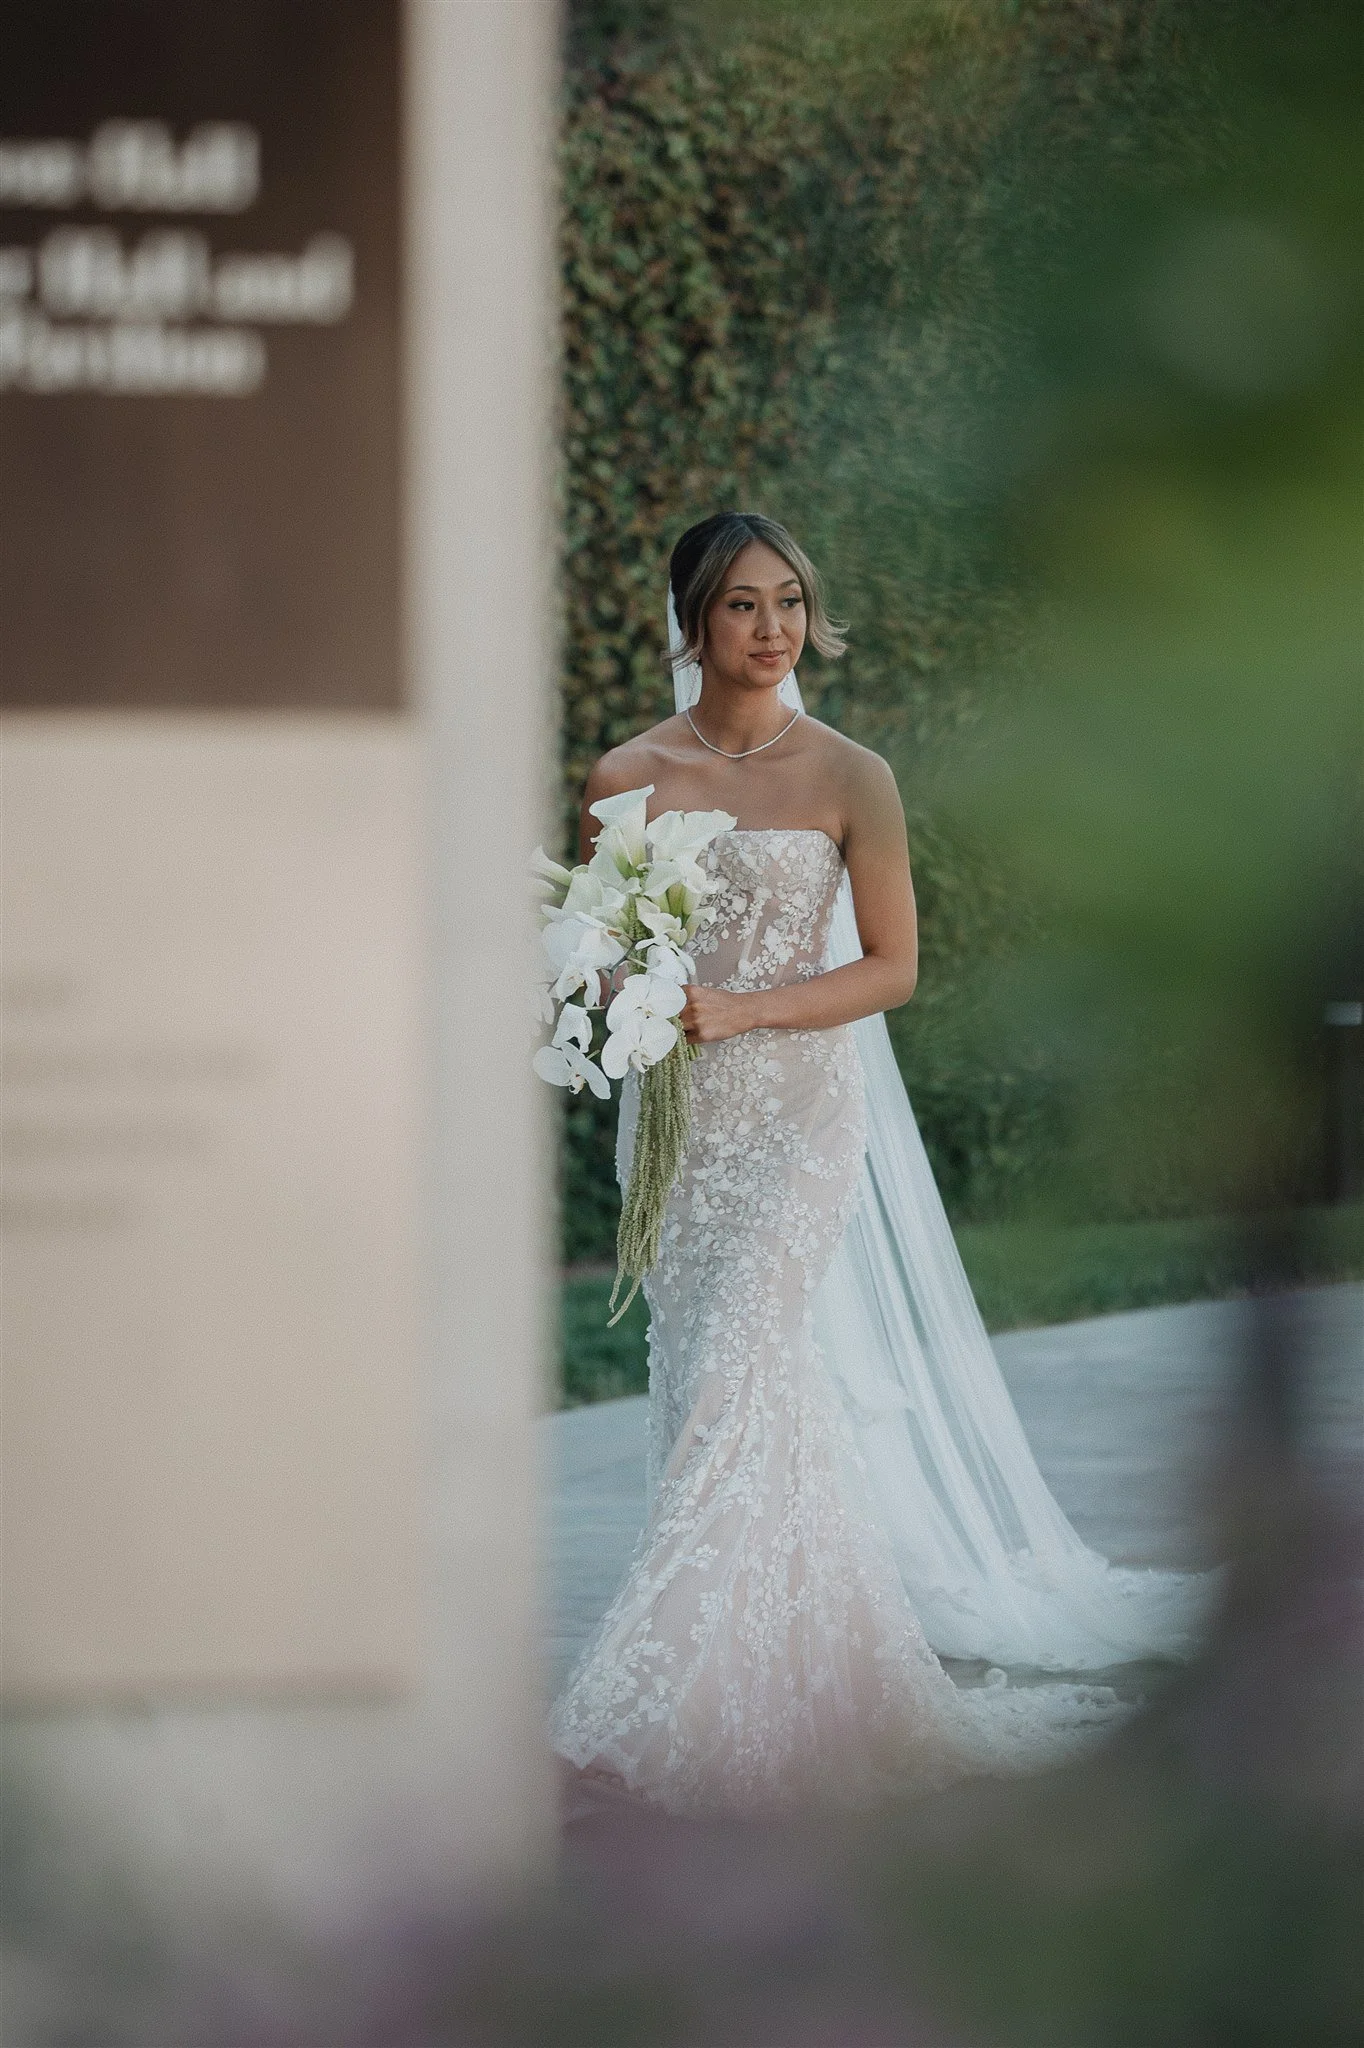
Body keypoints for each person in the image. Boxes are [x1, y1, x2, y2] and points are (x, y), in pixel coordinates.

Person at [550, 512, 1211, 1817]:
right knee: (711, 1403)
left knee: (743, 1368)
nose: (773, 627)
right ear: (694, 620)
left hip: (800, 1118)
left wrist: (741, 1009)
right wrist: (629, 992)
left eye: (789, 601)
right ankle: (799, 1679)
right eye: (743, 604)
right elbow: (605, 949)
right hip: (680, 1122)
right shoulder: (628, 771)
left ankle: (644, 1700)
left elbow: (893, 968)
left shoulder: (854, 773)